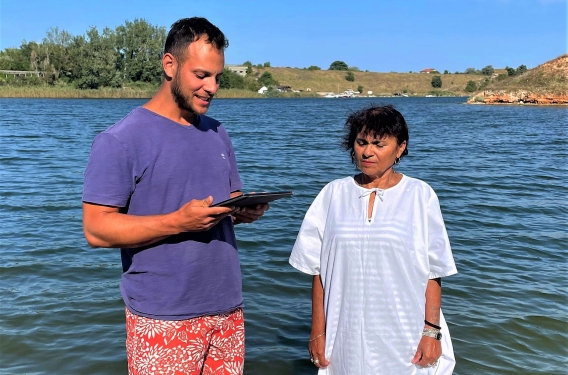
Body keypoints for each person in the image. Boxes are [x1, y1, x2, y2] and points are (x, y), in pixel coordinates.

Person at [82, 17, 268, 375]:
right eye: (201, 75)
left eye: (218, 77)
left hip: (228, 310)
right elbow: (96, 229)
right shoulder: (120, 140)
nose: (212, 87)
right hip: (162, 316)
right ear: (170, 65)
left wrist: (242, 208)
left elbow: (228, 198)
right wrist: (178, 222)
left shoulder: (217, 132)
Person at [289, 105, 458, 374]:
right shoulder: (333, 194)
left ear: (400, 148)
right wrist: (317, 331)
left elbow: (433, 270)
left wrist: (432, 331)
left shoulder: (419, 195)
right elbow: (318, 271)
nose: (368, 152)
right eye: (361, 142)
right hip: (343, 335)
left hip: (404, 334)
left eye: (379, 144)